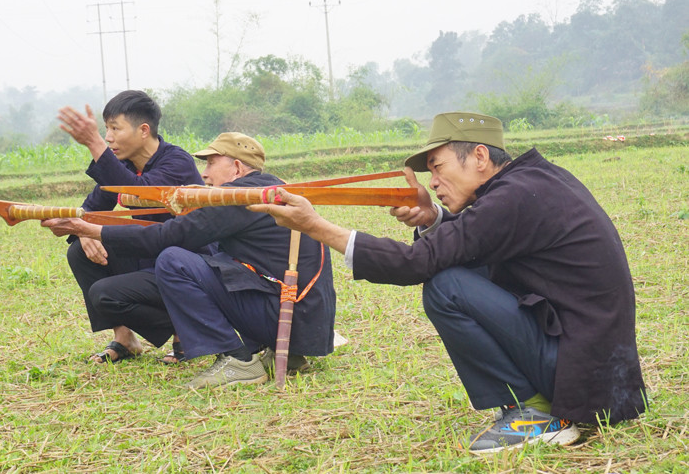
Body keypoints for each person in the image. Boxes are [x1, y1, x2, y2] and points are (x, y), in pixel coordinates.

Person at [249, 112, 646, 453]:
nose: (434, 181)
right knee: (455, 273)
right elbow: (478, 238)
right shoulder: (530, 184)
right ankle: (534, 406)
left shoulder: (512, 198)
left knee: (447, 286)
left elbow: (414, 264)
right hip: (599, 371)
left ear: (478, 156)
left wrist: (316, 226)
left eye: (438, 167)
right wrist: (433, 219)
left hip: (583, 374)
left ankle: (537, 415)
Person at [43, 132, 337, 388]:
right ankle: (283, 352)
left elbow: (165, 239)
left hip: (284, 315)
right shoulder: (274, 190)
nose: (205, 174)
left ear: (236, 168)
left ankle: (236, 359)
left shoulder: (237, 198)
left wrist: (87, 229)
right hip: (307, 326)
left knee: (174, 259)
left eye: (211, 164)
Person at [51, 90, 204, 364]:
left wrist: (94, 144)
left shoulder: (176, 162)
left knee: (107, 291)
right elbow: (92, 208)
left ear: (143, 130)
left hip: (185, 262)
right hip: (148, 254)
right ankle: (125, 339)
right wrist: (83, 229)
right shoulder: (123, 164)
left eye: (114, 128)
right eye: (104, 129)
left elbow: (141, 190)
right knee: (79, 250)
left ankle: (185, 332)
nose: (108, 137)